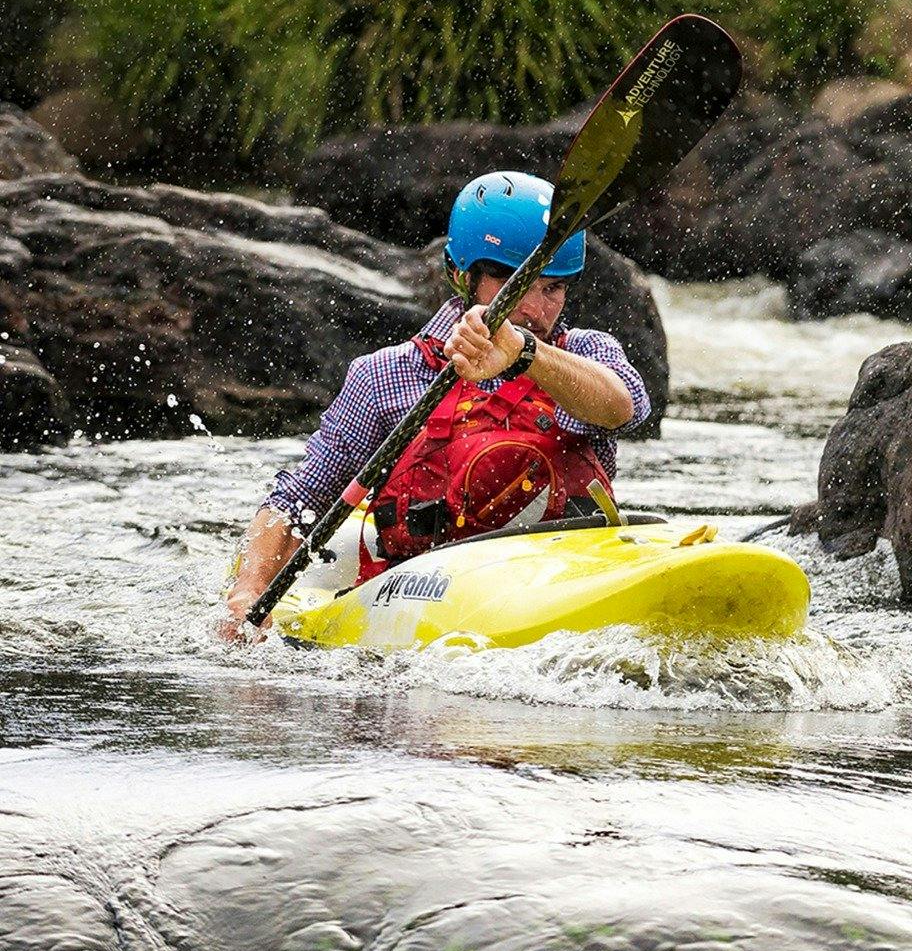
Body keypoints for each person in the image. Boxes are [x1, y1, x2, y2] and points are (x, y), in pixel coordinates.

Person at [222, 170, 651, 636]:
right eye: (512, 282)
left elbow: (621, 408)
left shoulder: (586, 354)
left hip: (567, 577)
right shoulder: (386, 375)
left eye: (553, 288)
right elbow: (298, 502)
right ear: (461, 276)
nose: (535, 309)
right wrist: (248, 594)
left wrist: (525, 354)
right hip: (435, 593)